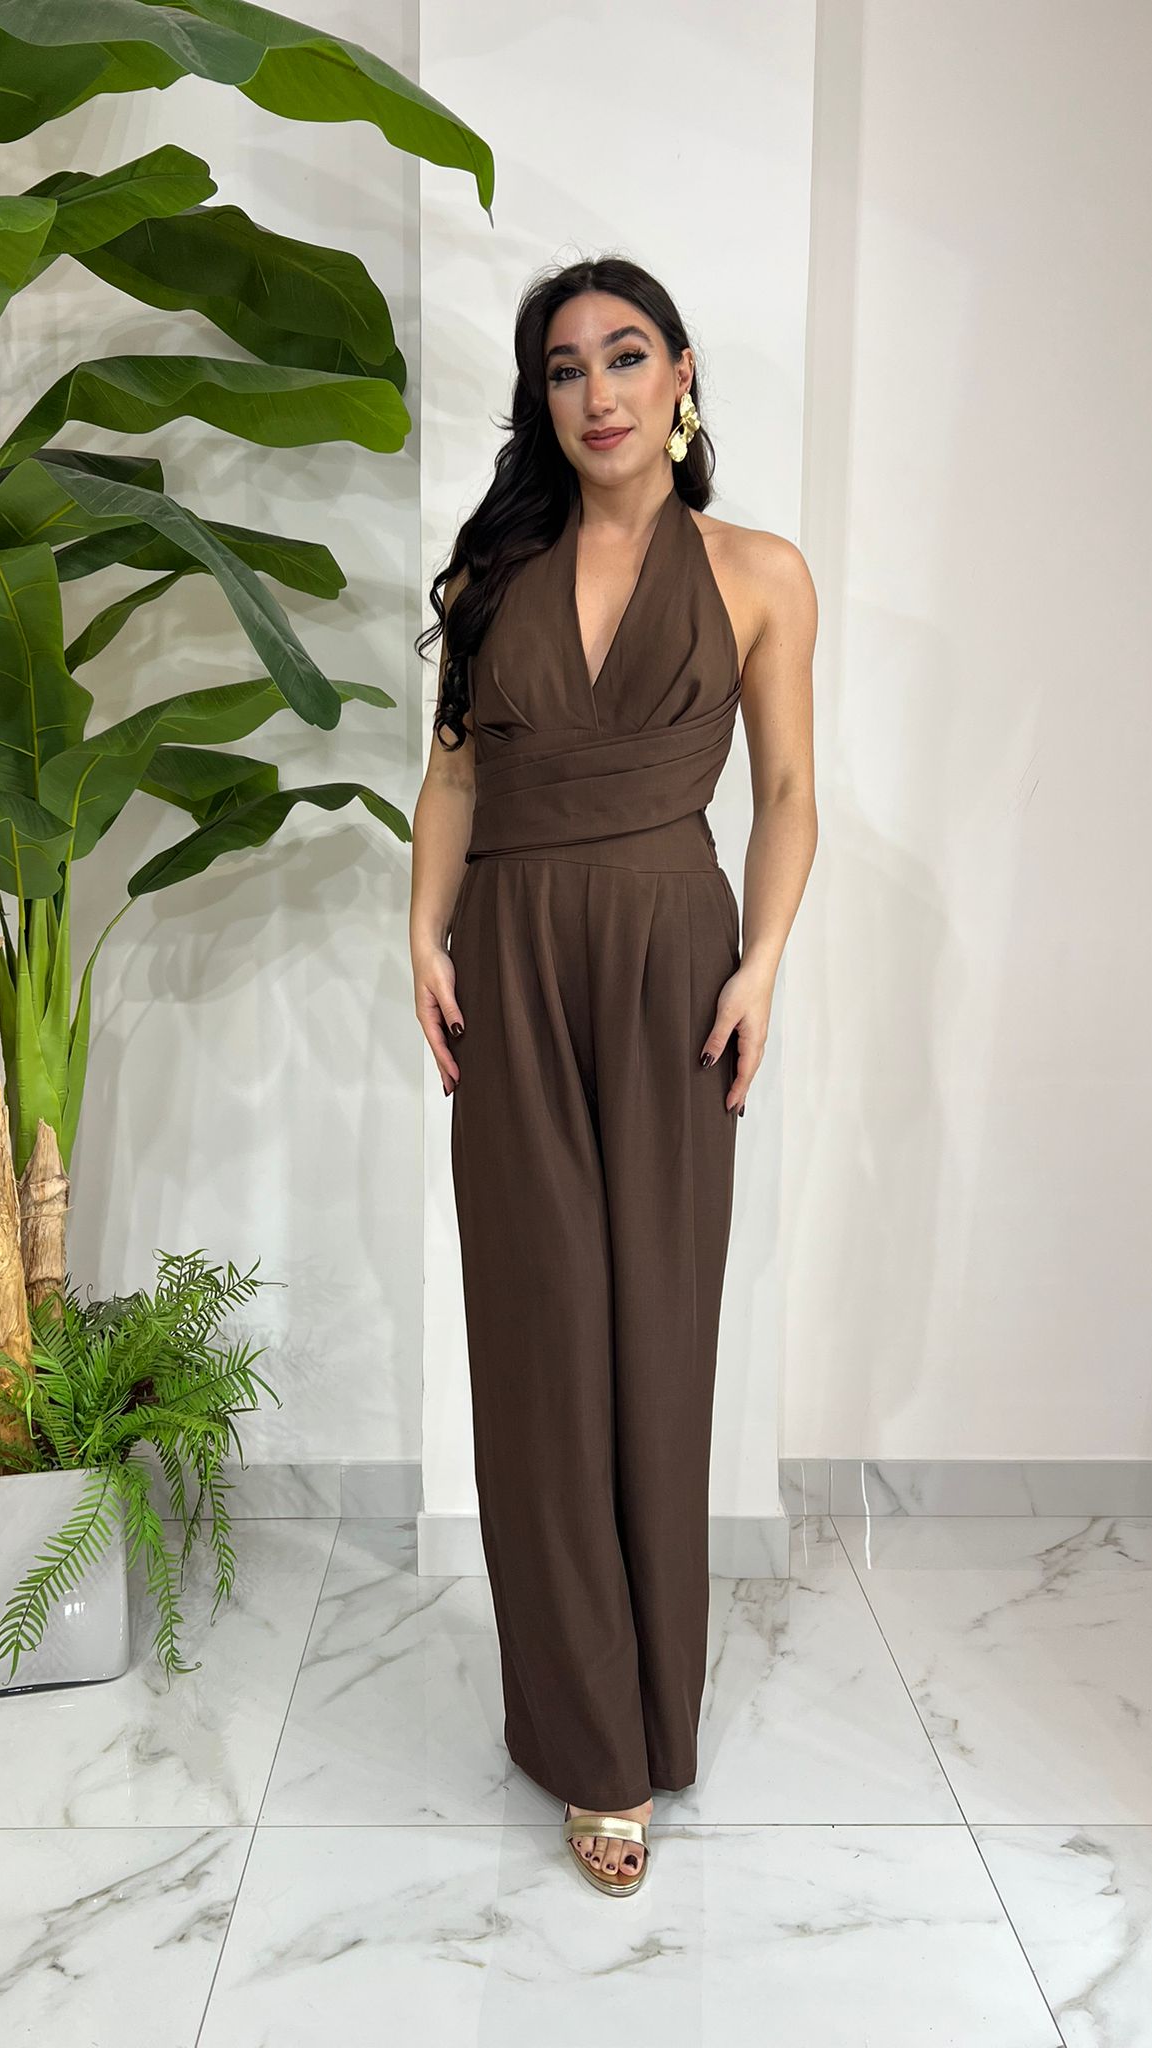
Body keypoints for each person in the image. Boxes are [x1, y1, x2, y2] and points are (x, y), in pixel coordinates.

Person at [410, 256, 818, 1896]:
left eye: (626, 356)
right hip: (509, 958)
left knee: (654, 1330)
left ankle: (658, 1707)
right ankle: (593, 1745)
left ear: (681, 375)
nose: (597, 392)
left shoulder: (759, 572)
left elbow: (787, 793)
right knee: (541, 1340)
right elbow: (450, 779)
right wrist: (420, 934)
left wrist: (764, 963)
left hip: (672, 968)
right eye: (566, 367)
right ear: (543, 397)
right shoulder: (491, 576)